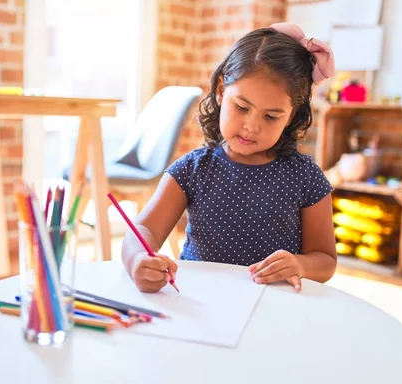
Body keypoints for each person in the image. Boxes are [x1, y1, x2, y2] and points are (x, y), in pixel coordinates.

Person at [121, 22, 337, 293]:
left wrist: (301, 265)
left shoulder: (305, 177)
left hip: (271, 306)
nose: (251, 125)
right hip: (200, 301)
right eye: (242, 107)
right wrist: (137, 259)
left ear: (291, 115)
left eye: (271, 116)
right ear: (222, 91)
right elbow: (143, 230)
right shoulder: (191, 170)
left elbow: (325, 260)